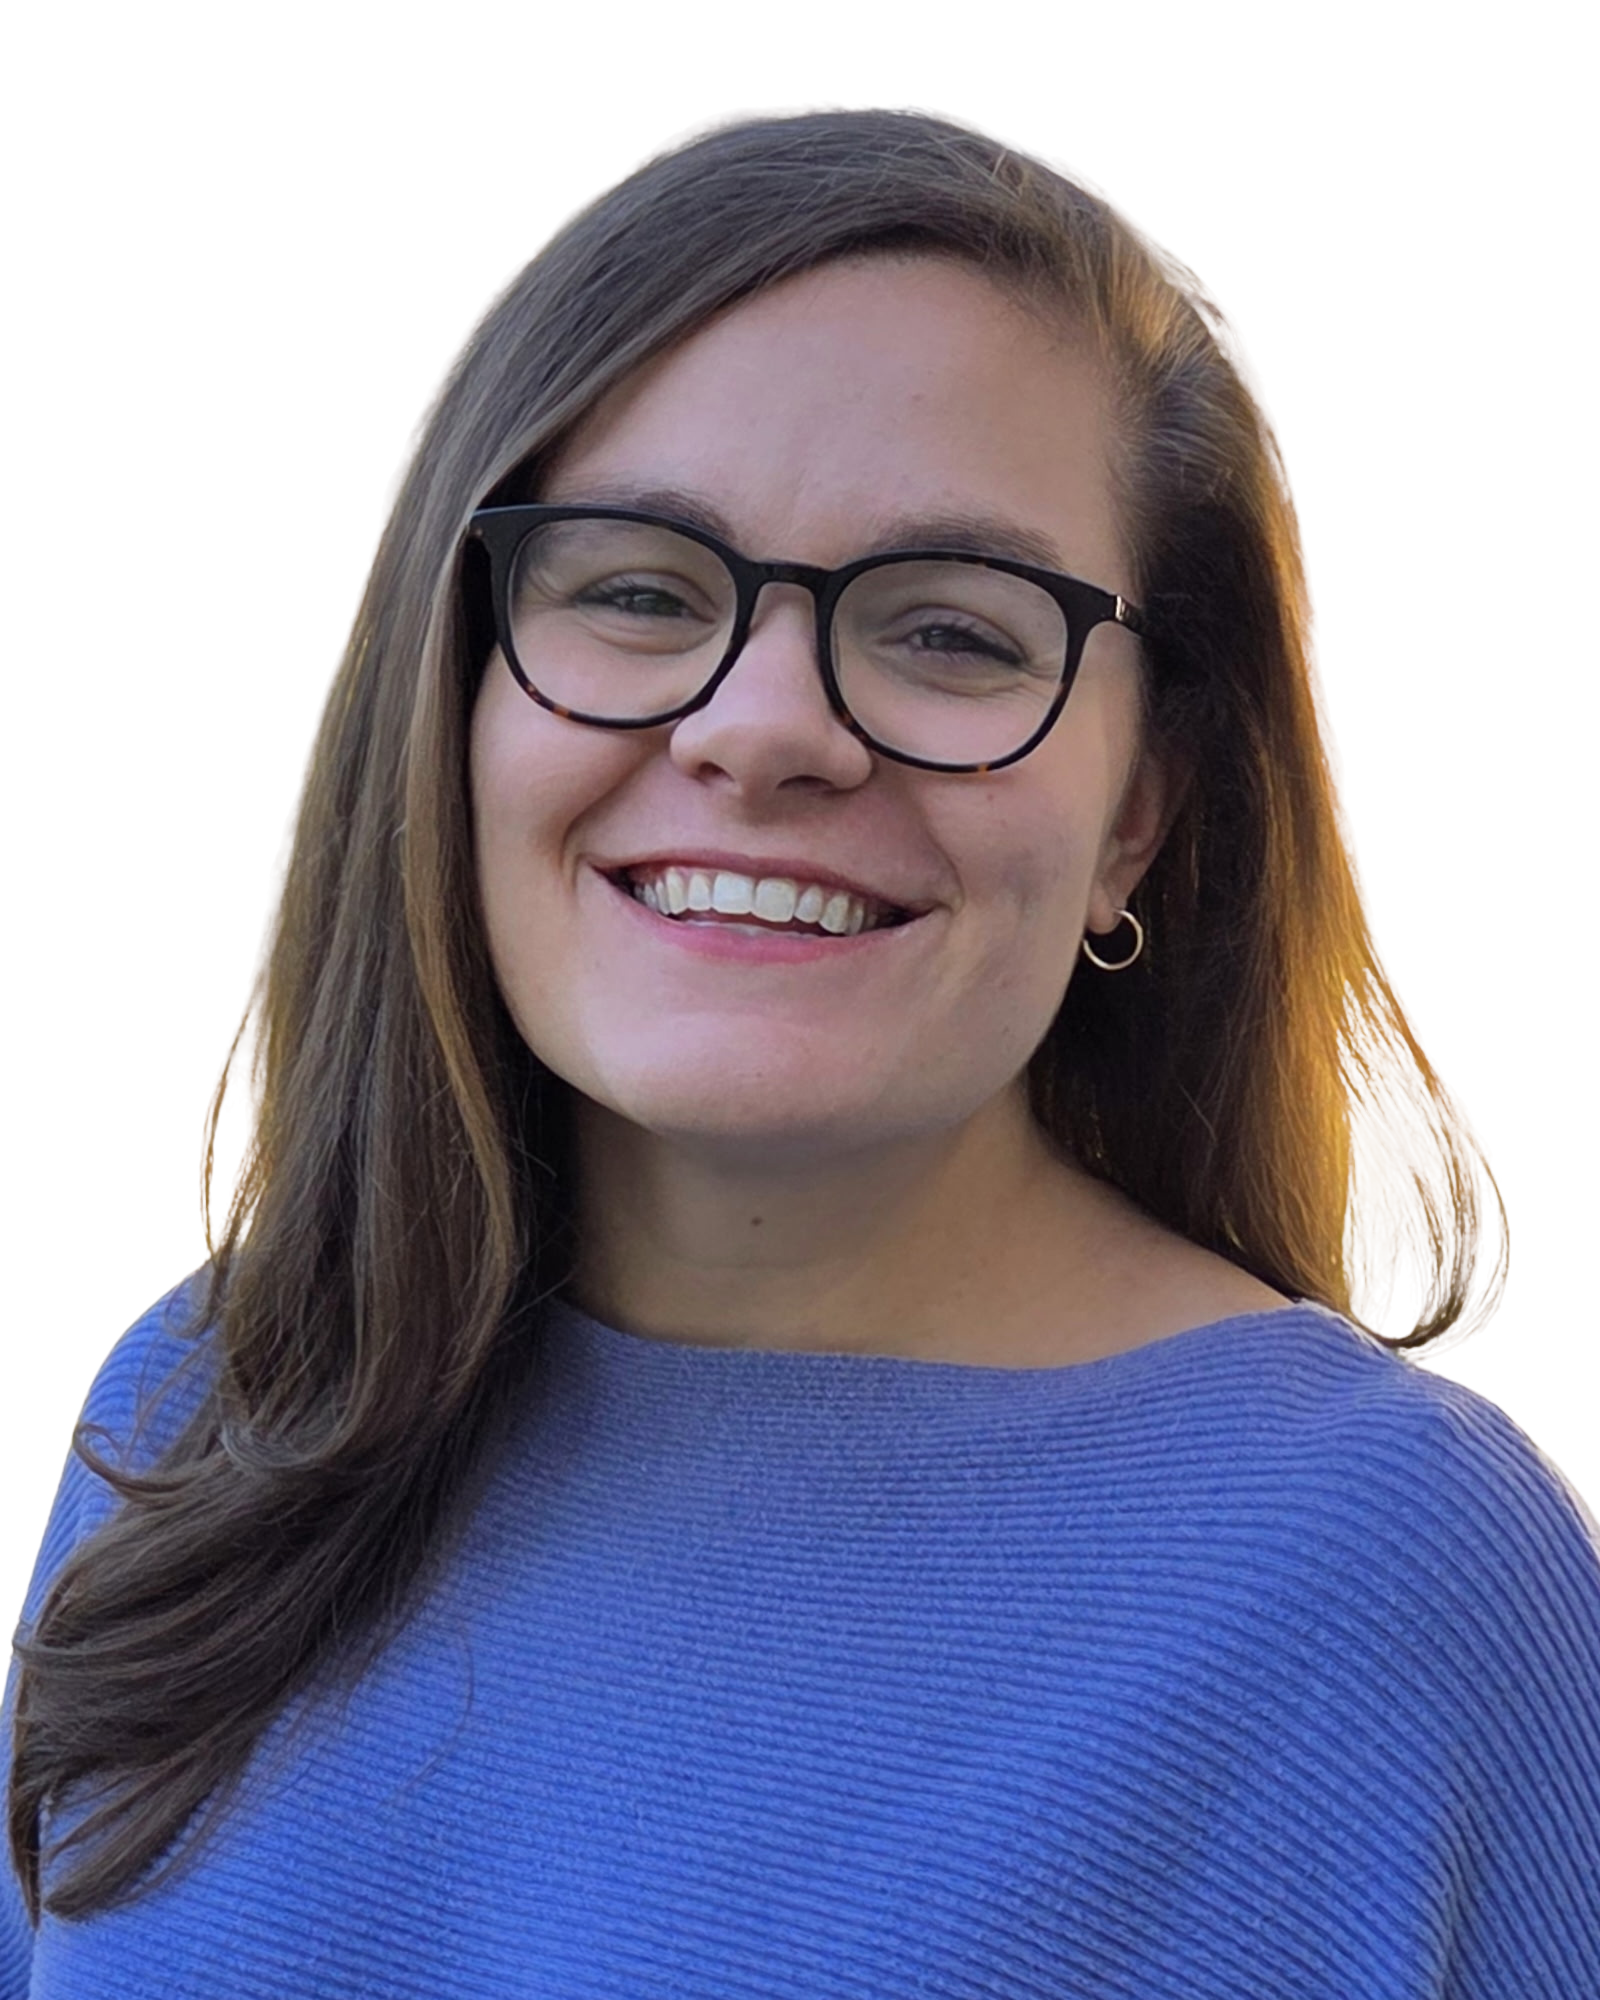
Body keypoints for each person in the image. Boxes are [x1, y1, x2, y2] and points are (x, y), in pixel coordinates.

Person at [6, 105, 1595, 1998]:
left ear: (1138, 814)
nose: (762, 730)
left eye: (952, 633)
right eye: (638, 590)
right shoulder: (198, 1416)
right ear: (456, 694)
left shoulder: (1400, 1578)